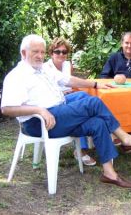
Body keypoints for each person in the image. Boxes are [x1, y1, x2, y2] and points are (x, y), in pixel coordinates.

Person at [1, 34, 131, 189]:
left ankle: (109, 173)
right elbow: (6, 109)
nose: (40, 56)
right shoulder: (17, 76)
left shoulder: (42, 69)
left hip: (58, 113)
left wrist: (95, 84)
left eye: (42, 52)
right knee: (93, 102)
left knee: (97, 122)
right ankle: (126, 139)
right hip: (38, 123)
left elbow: (68, 80)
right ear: (23, 53)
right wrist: (39, 110)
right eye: (35, 52)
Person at [44, 37, 96, 167]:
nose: (61, 54)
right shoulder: (46, 67)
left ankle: (82, 148)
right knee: (84, 100)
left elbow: (70, 84)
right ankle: (83, 148)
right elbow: (46, 91)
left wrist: (70, 92)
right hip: (55, 101)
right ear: (51, 53)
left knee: (84, 100)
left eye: (64, 51)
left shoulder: (67, 65)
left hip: (68, 97)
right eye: (57, 51)